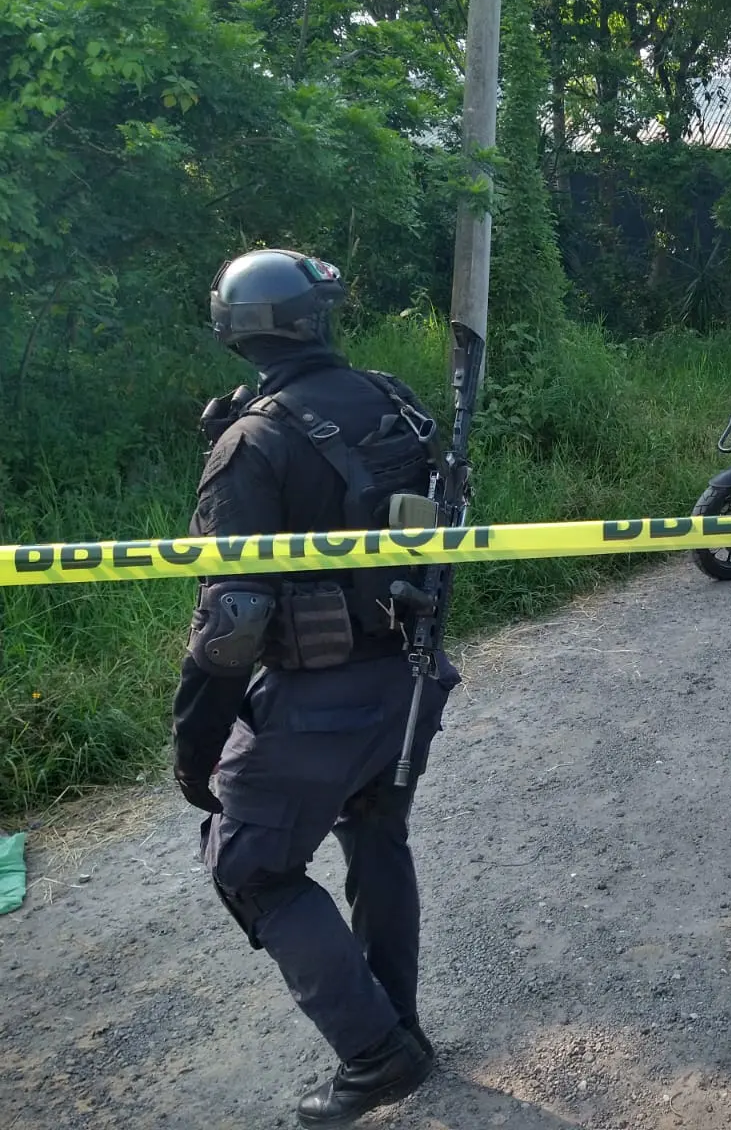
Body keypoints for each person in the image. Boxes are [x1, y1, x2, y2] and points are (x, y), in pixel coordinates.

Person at [174, 248, 460, 1126]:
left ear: (235, 332)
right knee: (376, 837)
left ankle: (376, 1056)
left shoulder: (253, 441)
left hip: (322, 701)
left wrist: (196, 751)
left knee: (249, 863)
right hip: (410, 679)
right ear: (319, 317)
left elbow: (231, 624)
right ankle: (396, 1026)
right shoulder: (398, 402)